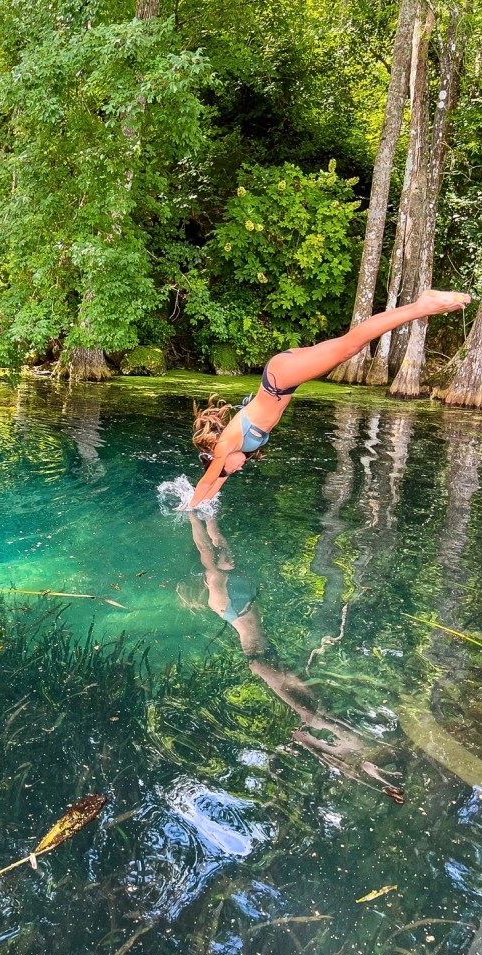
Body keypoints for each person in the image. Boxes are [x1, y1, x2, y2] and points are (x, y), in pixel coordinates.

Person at [183, 511, 404, 802]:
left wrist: (209, 515)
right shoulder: (217, 587)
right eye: (225, 563)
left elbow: (218, 547)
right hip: (260, 660)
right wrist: (190, 517)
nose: (231, 560)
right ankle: (356, 756)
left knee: (314, 711)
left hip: (265, 656)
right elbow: (205, 552)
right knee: (311, 715)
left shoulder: (228, 576)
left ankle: (359, 757)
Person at [188, 289, 471, 508]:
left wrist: (188, 510)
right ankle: (420, 307)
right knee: (348, 346)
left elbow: (205, 483)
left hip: (280, 380)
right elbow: (216, 483)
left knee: (350, 345)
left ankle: (421, 306)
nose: (239, 467)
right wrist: (206, 514)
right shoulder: (234, 453)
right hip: (285, 377)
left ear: (217, 459)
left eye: (231, 468)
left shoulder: (225, 447)